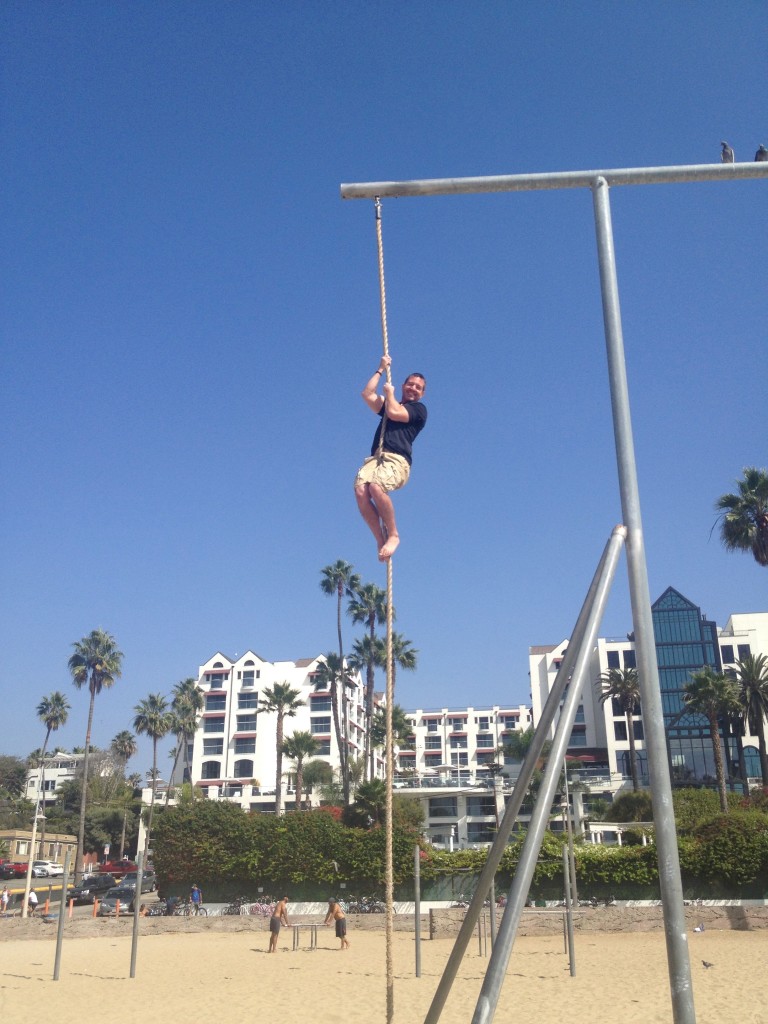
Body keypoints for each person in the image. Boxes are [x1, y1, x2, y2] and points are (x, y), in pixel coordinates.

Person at [354, 355, 427, 562]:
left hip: (397, 460)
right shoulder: (391, 403)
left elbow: (394, 413)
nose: (413, 388)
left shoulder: (419, 410)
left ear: (422, 393)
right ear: (404, 385)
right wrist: (380, 370)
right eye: (410, 384)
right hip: (376, 458)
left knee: (376, 487)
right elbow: (367, 394)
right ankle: (380, 538)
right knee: (361, 492)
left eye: (418, 387)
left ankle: (393, 534)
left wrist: (389, 394)